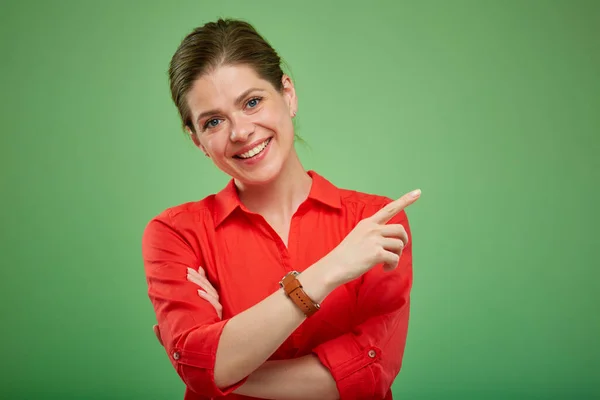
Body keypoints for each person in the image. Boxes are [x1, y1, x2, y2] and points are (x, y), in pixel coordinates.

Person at [142, 18, 421, 400]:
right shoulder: (175, 233)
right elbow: (202, 364)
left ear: (287, 95)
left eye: (252, 102)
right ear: (197, 141)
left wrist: (222, 367)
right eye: (214, 121)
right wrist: (330, 269)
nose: (240, 132)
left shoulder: (373, 223)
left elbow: (371, 372)